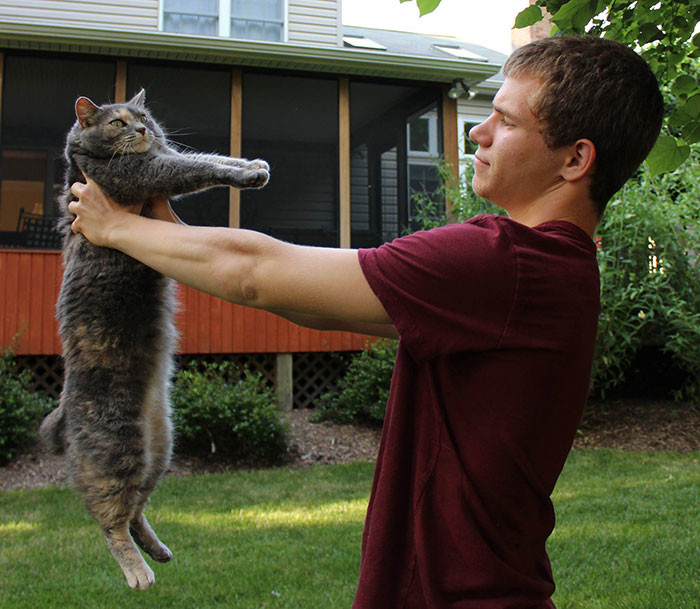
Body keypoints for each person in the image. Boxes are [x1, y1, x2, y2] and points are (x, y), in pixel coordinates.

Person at [69, 35, 663, 609]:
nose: (478, 131)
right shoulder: (550, 271)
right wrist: (165, 235)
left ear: (575, 159)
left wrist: (116, 227)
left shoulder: (505, 263)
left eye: (505, 122)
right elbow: (309, 303)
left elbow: (256, 272)